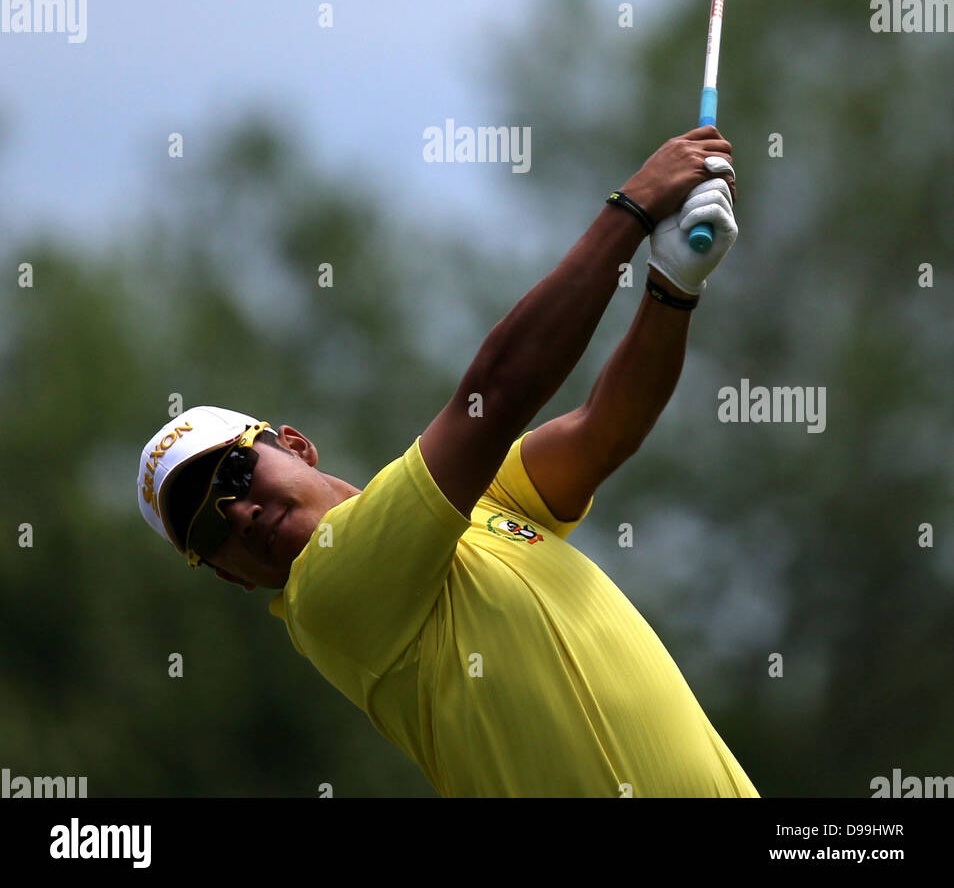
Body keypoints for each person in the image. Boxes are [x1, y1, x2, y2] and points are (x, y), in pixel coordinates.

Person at [137, 125, 757, 798]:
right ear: (231, 578)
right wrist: (634, 208)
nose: (241, 515)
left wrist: (672, 287)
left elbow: (605, 431)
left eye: (232, 476)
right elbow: (496, 391)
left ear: (294, 445)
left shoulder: (481, 504)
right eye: (209, 531)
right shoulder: (329, 594)